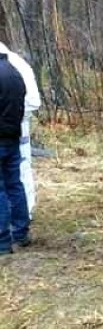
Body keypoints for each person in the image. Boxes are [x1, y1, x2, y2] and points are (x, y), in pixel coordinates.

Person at [0, 41, 41, 218]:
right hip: (13, 129)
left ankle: (22, 218)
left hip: (15, 130)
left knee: (18, 177)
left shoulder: (17, 65)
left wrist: (12, 118)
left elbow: (32, 101)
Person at [0, 49, 30, 254]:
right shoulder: (14, 72)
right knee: (14, 184)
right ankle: (21, 232)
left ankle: (2, 240)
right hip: (12, 136)